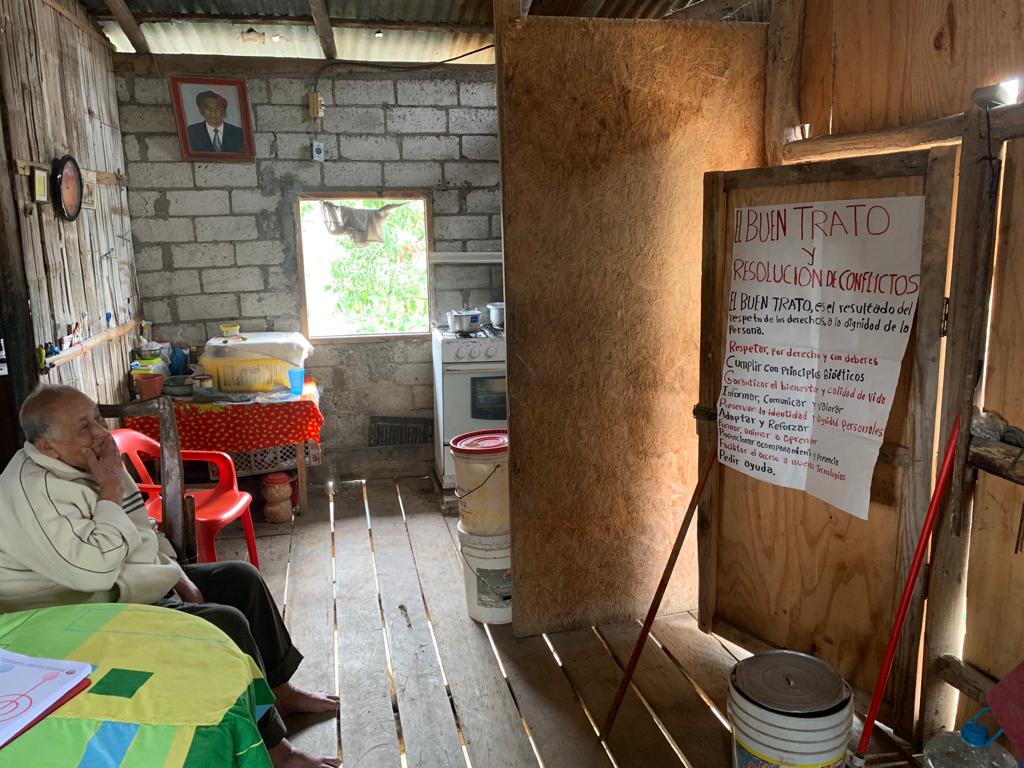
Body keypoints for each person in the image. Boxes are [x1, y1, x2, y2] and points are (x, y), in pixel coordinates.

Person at [0, 384, 339, 768]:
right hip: (76, 609)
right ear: (47, 447)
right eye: (83, 427)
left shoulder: (91, 462)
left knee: (241, 579)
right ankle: (276, 749)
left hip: (128, 580)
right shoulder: (36, 489)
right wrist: (110, 492)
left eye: (97, 418)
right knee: (224, 622)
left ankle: (280, 690)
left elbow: (142, 529)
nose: (99, 432)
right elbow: (94, 573)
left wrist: (176, 573)